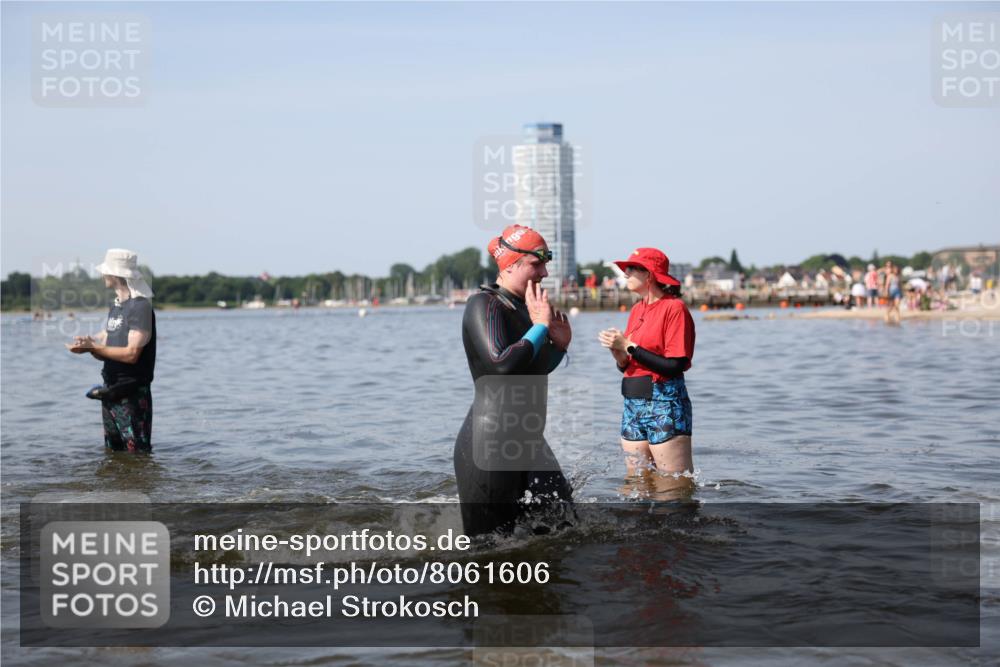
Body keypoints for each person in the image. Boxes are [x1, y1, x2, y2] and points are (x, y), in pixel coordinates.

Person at [454, 225, 573, 536]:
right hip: (491, 444)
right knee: (490, 549)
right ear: (511, 264)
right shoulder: (484, 304)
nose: (545, 273)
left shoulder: (524, 309)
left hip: (528, 439)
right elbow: (501, 366)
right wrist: (540, 328)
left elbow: (532, 370)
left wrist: (558, 347)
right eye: (538, 264)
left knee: (564, 525)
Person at [598, 248, 695, 495]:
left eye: (632, 268)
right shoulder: (636, 310)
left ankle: (680, 532)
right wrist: (618, 353)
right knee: (636, 485)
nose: (626, 273)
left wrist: (628, 345)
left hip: (664, 402)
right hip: (632, 402)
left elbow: (675, 365)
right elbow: (630, 364)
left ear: (649, 274)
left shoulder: (674, 308)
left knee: (673, 486)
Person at [67, 249, 156, 452]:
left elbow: (132, 354)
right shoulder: (117, 306)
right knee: (113, 452)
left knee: (137, 454)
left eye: (105, 271)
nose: (102, 275)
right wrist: (90, 343)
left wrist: (94, 348)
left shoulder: (140, 307)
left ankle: (141, 485)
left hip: (132, 393)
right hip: (111, 389)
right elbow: (110, 338)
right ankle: (115, 485)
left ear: (115, 275)